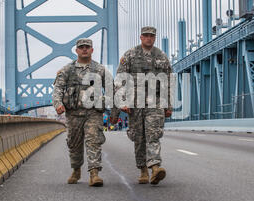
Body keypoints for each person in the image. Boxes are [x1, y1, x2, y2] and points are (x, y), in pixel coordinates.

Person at [110, 26, 173, 185]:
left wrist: (168, 105)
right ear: (140, 37)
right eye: (146, 36)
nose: (149, 38)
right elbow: (119, 80)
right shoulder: (130, 55)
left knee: (153, 134)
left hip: (155, 101)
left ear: (155, 38)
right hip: (135, 102)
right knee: (139, 138)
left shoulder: (162, 56)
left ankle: (155, 167)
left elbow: (169, 82)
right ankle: (143, 169)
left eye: (151, 36)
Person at [52, 38, 112, 187]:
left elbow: (111, 89)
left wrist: (111, 107)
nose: (84, 49)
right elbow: (58, 88)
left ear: (92, 50)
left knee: (94, 140)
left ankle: (94, 173)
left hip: (93, 113)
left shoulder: (100, 70)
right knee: (74, 143)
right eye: (81, 47)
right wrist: (58, 104)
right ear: (76, 50)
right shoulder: (67, 70)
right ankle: (76, 169)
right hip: (73, 114)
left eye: (87, 47)